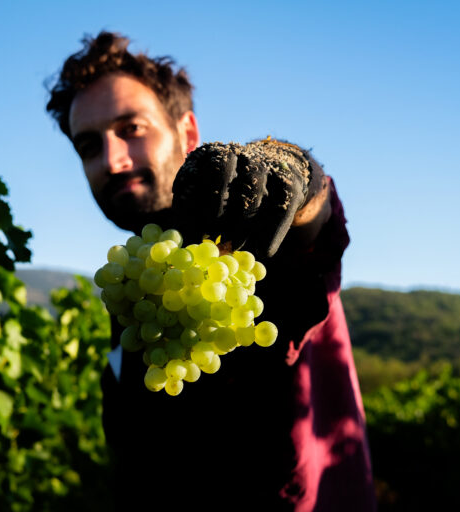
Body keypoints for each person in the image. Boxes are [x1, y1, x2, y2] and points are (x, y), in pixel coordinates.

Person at [46, 31, 376, 512]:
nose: (113, 161)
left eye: (131, 129)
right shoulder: (140, 291)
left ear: (188, 133)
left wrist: (288, 167)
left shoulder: (245, 246)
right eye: (89, 146)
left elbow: (313, 226)